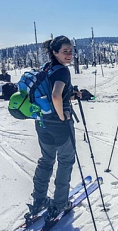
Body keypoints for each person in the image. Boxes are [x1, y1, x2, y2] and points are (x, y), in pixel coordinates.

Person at [27, 35, 79, 221]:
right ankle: (59, 204)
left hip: (42, 123)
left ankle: (39, 200)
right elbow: (56, 96)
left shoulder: (46, 69)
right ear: (55, 52)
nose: (69, 55)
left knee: (46, 160)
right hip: (60, 126)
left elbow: (53, 95)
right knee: (65, 161)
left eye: (71, 51)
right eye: (65, 51)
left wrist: (71, 94)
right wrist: (61, 116)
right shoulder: (63, 71)